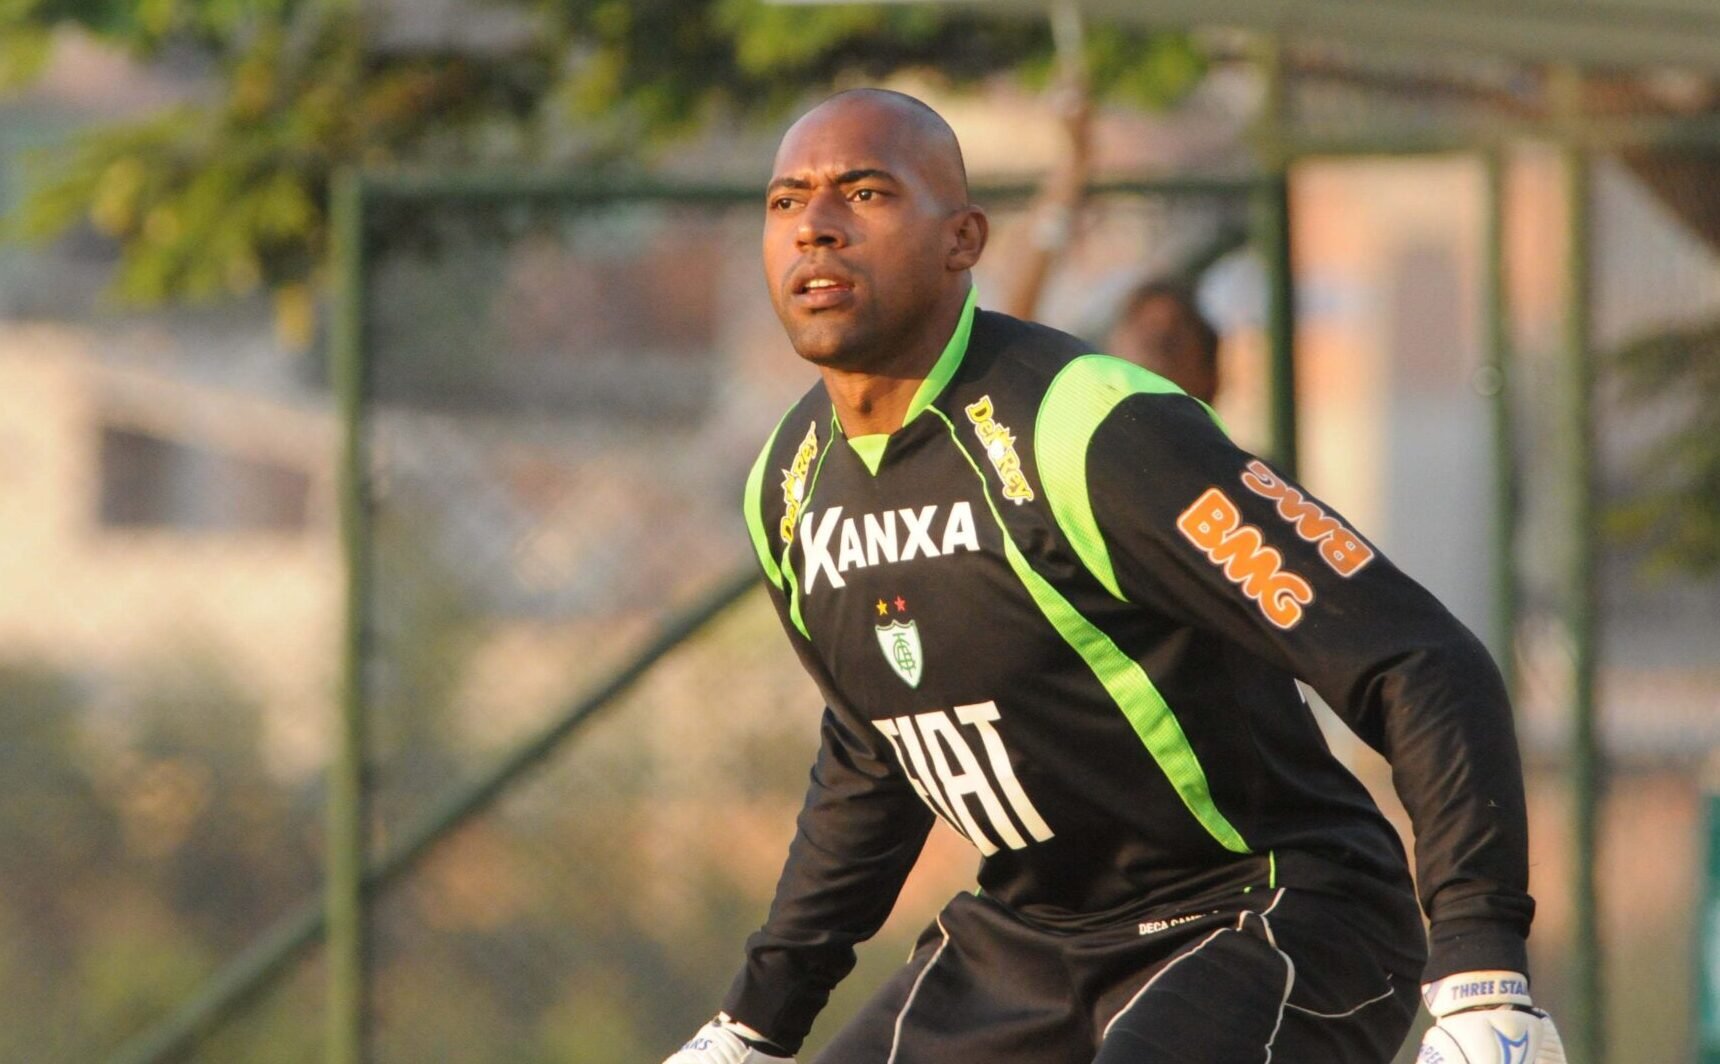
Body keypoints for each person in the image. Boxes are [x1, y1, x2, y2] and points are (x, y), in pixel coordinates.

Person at [664, 88, 1562, 1064]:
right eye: (786, 202)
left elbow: (1414, 652)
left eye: (866, 193)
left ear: (962, 238)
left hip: (1266, 910)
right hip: (1025, 940)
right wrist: (755, 1021)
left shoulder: (1090, 424)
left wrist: (1481, 965)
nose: (817, 229)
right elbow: (877, 754)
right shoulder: (786, 488)